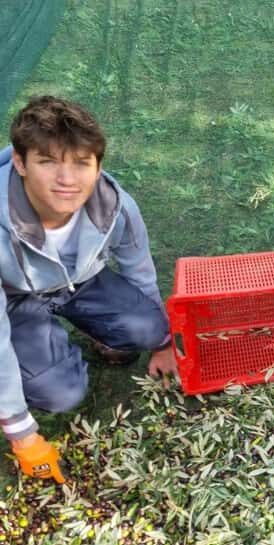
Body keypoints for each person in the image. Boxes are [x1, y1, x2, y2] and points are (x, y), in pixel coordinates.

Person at [0, 96, 177, 484]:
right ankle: (39, 354)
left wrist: (163, 342)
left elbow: (140, 271)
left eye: (81, 163)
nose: (67, 180)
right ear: (20, 162)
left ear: (97, 166)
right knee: (60, 393)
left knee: (146, 327)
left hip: (80, 282)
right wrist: (21, 433)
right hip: (14, 298)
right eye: (48, 161)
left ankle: (91, 335)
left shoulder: (114, 206)